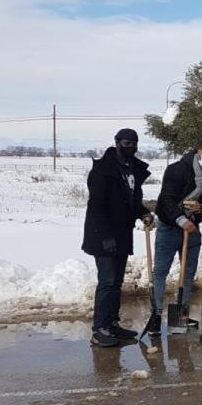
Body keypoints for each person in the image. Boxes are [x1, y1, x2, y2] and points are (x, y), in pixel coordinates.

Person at [81, 128, 153, 347]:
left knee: (117, 282)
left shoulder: (132, 169)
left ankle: (112, 323)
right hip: (102, 235)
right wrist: (104, 236)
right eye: (125, 142)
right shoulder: (103, 170)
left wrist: (143, 213)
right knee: (108, 281)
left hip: (122, 234)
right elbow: (96, 206)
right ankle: (99, 329)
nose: (129, 146)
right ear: (116, 142)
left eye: (133, 143)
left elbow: (130, 200)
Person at [147, 135, 202, 335]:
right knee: (161, 271)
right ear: (198, 151)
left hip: (192, 230)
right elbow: (166, 200)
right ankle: (155, 315)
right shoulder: (177, 169)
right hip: (170, 227)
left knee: (187, 273)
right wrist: (181, 220)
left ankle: (180, 316)